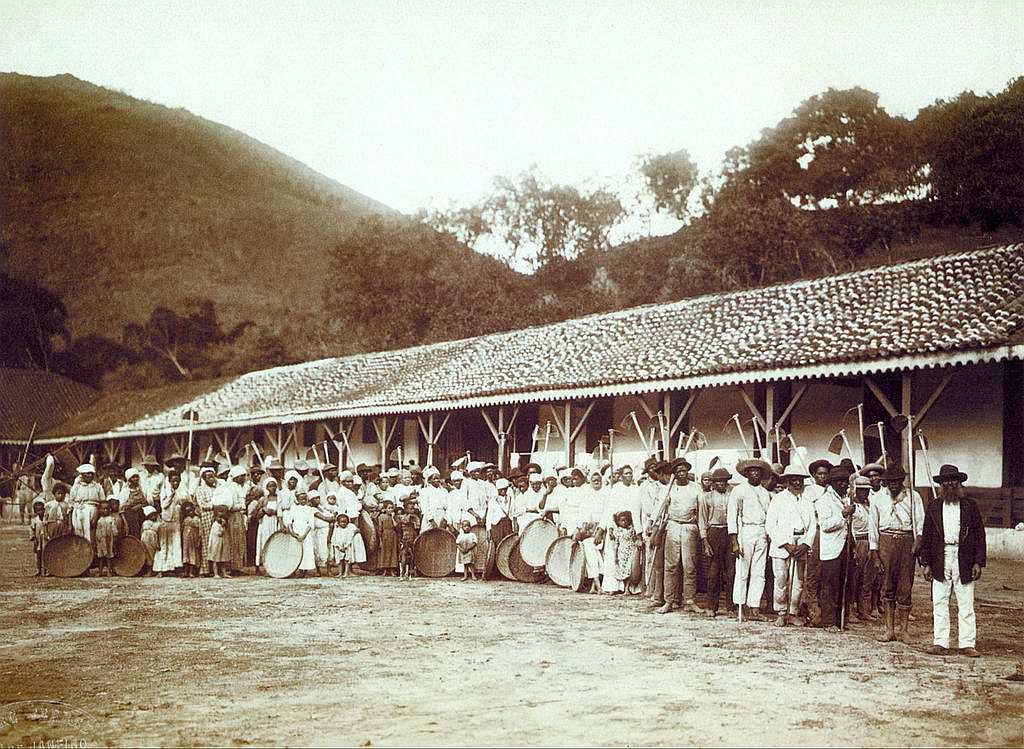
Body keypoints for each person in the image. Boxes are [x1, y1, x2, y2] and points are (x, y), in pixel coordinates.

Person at [918, 464, 985, 658]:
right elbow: (927, 537)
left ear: (959, 482)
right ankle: (940, 642)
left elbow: (980, 535)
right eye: (945, 480)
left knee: (966, 601)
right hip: (941, 556)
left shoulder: (969, 506)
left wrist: (978, 562)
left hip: (964, 557)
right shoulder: (934, 506)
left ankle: (967, 643)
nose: (950, 484)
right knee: (939, 600)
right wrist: (926, 563)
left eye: (953, 480)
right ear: (941, 484)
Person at [868, 465, 925, 644]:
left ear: (902, 481)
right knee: (887, 585)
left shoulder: (914, 497)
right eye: (890, 482)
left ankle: (904, 630)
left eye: (896, 482)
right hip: (885, 542)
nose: (893, 485)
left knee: (905, 586)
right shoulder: (878, 498)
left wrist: (918, 541)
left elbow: (920, 522)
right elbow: (873, 526)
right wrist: (875, 552)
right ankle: (889, 630)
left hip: (906, 541)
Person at [765, 466, 815, 627]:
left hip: (801, 546)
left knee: (798, 582)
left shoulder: (807, 501)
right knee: (780, 580)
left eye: (800, 479)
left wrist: (806, 544)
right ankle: (781, 612)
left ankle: (793, 612)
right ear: (787, 481)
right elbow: (770, 525)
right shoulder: (778, 500)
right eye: (793, 479)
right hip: (781, 548)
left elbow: (813, 525)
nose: (797, 482)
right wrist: (786, 544)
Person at [654, 458, 703, 615]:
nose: (682, 473)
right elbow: (660, 508)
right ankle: (669, 600)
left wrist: (703, 534)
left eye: (684, 470)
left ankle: (689, 600)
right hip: (673, 526)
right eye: (678, 471)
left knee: (689, 566)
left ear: (687, 472)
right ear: (674, 473)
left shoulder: (696, 489)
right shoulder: (669, 489)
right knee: (671, 565)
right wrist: (652, 523)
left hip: (690, 527)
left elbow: (701, 513)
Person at [728, 458, 773, 621]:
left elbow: (770, 516)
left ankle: (754, 607)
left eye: (758, 471)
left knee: (759, 572)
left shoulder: (765, 493)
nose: (755, 473)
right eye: (752, 471)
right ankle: (740, 606)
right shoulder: (738, 491)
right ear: (746, 473)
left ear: (761, 474)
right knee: (742, 571)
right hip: (745, 530)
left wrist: (769, 536)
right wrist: (734, 541)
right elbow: (732, 516)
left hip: (761, 532)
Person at [815, 467, 854, 632]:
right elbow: (825, 525)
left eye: (845, 482)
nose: (843, 484)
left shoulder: (843, 499)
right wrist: (843, 515)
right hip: (831, 549)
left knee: (844, 584)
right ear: (832, 483)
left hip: (844, 547)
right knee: (830, 585)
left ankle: (840, 619)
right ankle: (828, 621)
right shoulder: (823, 500)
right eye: (840, 482)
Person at [699, 467, 735, 618]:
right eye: (718, 481)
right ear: (713, 483)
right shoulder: (706, 497)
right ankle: (711, 606)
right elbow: (702, 520)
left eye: (724, 481)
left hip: (730, 531)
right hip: (714, 532)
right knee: (713, 573)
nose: (721, 483)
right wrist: (705, 542)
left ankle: (731, 606)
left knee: (731, 572)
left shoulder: (732, 495)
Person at [848, 475, 879, 621]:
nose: (864, 493)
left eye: (867, 490)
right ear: (856, 491)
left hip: (870, 542)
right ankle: (852, 611)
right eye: (861, 490)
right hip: (858, 542)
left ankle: (864, 610)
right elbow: (850, 529)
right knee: (855, 577)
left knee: (868, 578)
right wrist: (853, 547)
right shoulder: (851, 506)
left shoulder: (870, 505)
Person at [153, 472, 185, 576]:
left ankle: (175, 568)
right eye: (173, 481)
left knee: (175, 544)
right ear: (170, 481)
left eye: (177, 481)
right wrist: (171, 495)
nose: (176, 483)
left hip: (176, 521)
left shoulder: (182, 490)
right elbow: (164, 505)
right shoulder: (165, 491)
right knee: (164, 544)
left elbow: (185, 501)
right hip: (166, 520)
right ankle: (161, 569)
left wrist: (180, 499)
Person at [69, 463, 105, 544]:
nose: (89, 476)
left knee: (92, 534)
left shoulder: (97, 486)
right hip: (79, 513)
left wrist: (96, 516)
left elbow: (102, 502)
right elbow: (71, 503)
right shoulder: (76, 487)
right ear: (82, 475)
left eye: (91, 474)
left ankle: (91, 553)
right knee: (79, 535)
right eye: (87, 474)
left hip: (93, 512)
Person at [254, 477, 282, 574]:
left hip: (275, 522)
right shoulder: (263, 499)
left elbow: (282, 511)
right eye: (270, 486)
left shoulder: (279, 498)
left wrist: (275, 512)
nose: (272, 488)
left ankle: (274, 565)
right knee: (264, 541)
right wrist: (263, 510)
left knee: (274, 543)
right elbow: (256, 514)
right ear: (266, 488)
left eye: (274, 486)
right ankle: (262, 565)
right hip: (265, 523)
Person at [610, 510, 641, 594]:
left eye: (625, 520)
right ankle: (624, 588)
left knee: (629, 569)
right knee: (622, 570)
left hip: (630, 551)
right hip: (621, 553)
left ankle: (627, 588)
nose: (624, 522)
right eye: (621, 520)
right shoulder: (618, 531)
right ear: (618, 522)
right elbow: (616, 544)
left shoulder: (631, 529)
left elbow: (634, 539)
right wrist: (615, 556)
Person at [288, 492, 317, 577]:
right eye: (301, 499)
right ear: (297, 500)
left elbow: (310, 524)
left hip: (305, 532)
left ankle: (303, 570)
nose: (303, 500)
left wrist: (304, 535)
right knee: (294, 550)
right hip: (296, 531)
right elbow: (289, 522)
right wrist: (292, 532)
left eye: (305, 499)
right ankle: (292, 569)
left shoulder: (309, 509)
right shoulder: (294, 508)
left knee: (306, 550)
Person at [94, 499, 120, 576]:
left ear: (109, 510)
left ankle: (109, 571)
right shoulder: (99, 520)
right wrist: (97, 539)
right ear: (99, 510)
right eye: (103, 509)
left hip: (109, 540)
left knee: (109, 556)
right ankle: (100, 571)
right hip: (101, 541)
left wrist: (115, 537)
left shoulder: (111, 519)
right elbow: (97, 531)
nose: (105, 510)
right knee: (101, 556)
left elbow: (114, 530)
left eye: (107, 509)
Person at [397, 499, 421, 579]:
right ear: (406, 509)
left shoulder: (415, 517)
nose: (412, 510)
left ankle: (410, 572)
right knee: (403, 556)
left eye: (413, 508)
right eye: (410, 509)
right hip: (405, 539)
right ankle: (402, 572)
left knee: (412, 556)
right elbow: (400, 527)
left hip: (413, 538)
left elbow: (417, 527)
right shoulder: (402, 517)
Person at [330, 513, 359, 578]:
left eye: (345, 522)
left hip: (347, 547)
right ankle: (340, 572)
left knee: (347, 560)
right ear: (338, 522)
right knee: (339, 560)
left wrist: (345, 546)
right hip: (338, 547)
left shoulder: (348, 530)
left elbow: (350, 538)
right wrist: (337, 546)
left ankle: (346, 572)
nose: (343, 524)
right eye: (342, 522)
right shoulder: (337, 530)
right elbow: (333, 538)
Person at [376, 499, 399, 576]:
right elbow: (380, 529)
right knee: (385, 552)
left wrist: (393, 518)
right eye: (389, 508)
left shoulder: (395, 517)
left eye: (392, 508)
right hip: (385, 535)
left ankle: (392, 570)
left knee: (393, 552)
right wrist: (380, 540)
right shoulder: (381, 517)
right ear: (385, 509)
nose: (391, 509)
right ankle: (385, 570)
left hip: (393, 535)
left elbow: (396, 526)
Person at [181, 503, 204, 578]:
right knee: (185, 554)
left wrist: (199, 539)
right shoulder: (185, 519)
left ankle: (192, 571)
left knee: (193, 554)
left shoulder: (197, 519)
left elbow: (200, 531)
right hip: (186, 539)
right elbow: (182, 529)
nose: (189, 513)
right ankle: (186, 571)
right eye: (187, 511)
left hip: (194, 538)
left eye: (191, 511)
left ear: (193, 510)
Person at [207, 511, 229, 578]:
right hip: (216, 543)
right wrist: (222, 526)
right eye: (219, 517)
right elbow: (219, 534)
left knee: (223, 559)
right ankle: (215, 573)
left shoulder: (224, 525)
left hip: (222, 543)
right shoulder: (215, 525)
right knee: (216, 559)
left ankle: (224, 573)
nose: (221, 519)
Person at [140, 505, 161, 576]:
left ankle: (155, 571)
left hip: (153, 540)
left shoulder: (158, 524)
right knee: (147, 554)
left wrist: (158, 542)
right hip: (145, 539)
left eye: (154, 515)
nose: (153, 517)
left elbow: (159, 534)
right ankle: (149, 571)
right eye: (151, 515)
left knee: (154, 555)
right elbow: (142, 531)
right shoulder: (145, 522)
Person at [29, 499, 46, 575]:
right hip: (38, 540)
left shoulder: (46, 519)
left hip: (46, 540)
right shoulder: (34, 520)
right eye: (38, 510)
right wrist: (33, 537)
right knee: (38, 555)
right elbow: (32, 529)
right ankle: (39, 570)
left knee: (46, 554)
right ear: (35, 512)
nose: (40, 512)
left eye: (41, 510)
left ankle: (46, 570)